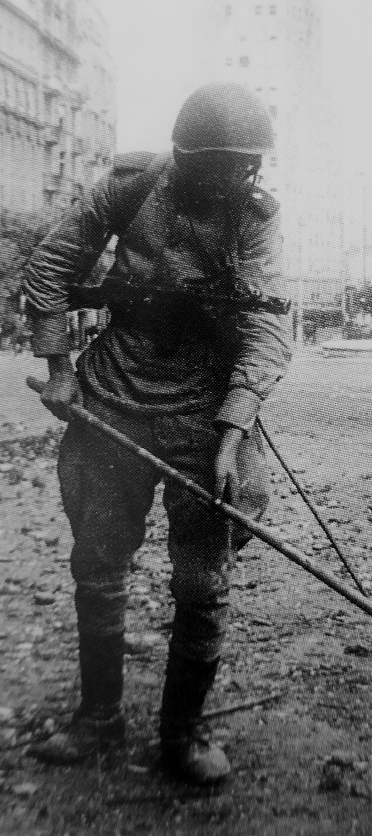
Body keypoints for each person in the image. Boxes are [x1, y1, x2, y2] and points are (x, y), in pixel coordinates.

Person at [22, 83, 292, 784]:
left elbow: (267, 327)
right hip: (114, 394)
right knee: (97, 561)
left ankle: (183, 732)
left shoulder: (256, 218)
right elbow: (49, 267)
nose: (238, 179)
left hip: (205, 408)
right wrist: (59, 368)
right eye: (224, 166)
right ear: (188, 157)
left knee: (203, 580)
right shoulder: (132, 186)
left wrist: (234, 426)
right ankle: (98, 717)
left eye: (247, 166)